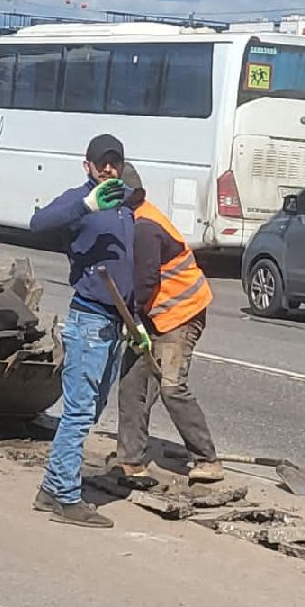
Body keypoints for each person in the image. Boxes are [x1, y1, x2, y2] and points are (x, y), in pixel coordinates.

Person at [29, 134, 142, 528]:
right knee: (78, 412)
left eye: (115, 162)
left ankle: (50, 489)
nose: (109, 169)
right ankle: (64, 496)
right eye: (102, 163)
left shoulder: (127, 205)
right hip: (89, 320)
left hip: (117, 322)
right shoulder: (81, 201)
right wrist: (85, 205)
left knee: (90, 410)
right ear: (88, 166)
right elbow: (37, 223)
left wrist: (137, 321)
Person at [113, 163, 224, 485]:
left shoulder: (145, 226)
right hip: (153, 316)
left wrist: (131, 320)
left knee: (172, 386)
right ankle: (130, 460)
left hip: (181, 315)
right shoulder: (131, 220)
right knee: (133, 385)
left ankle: (207, 459)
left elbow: (145, 283)